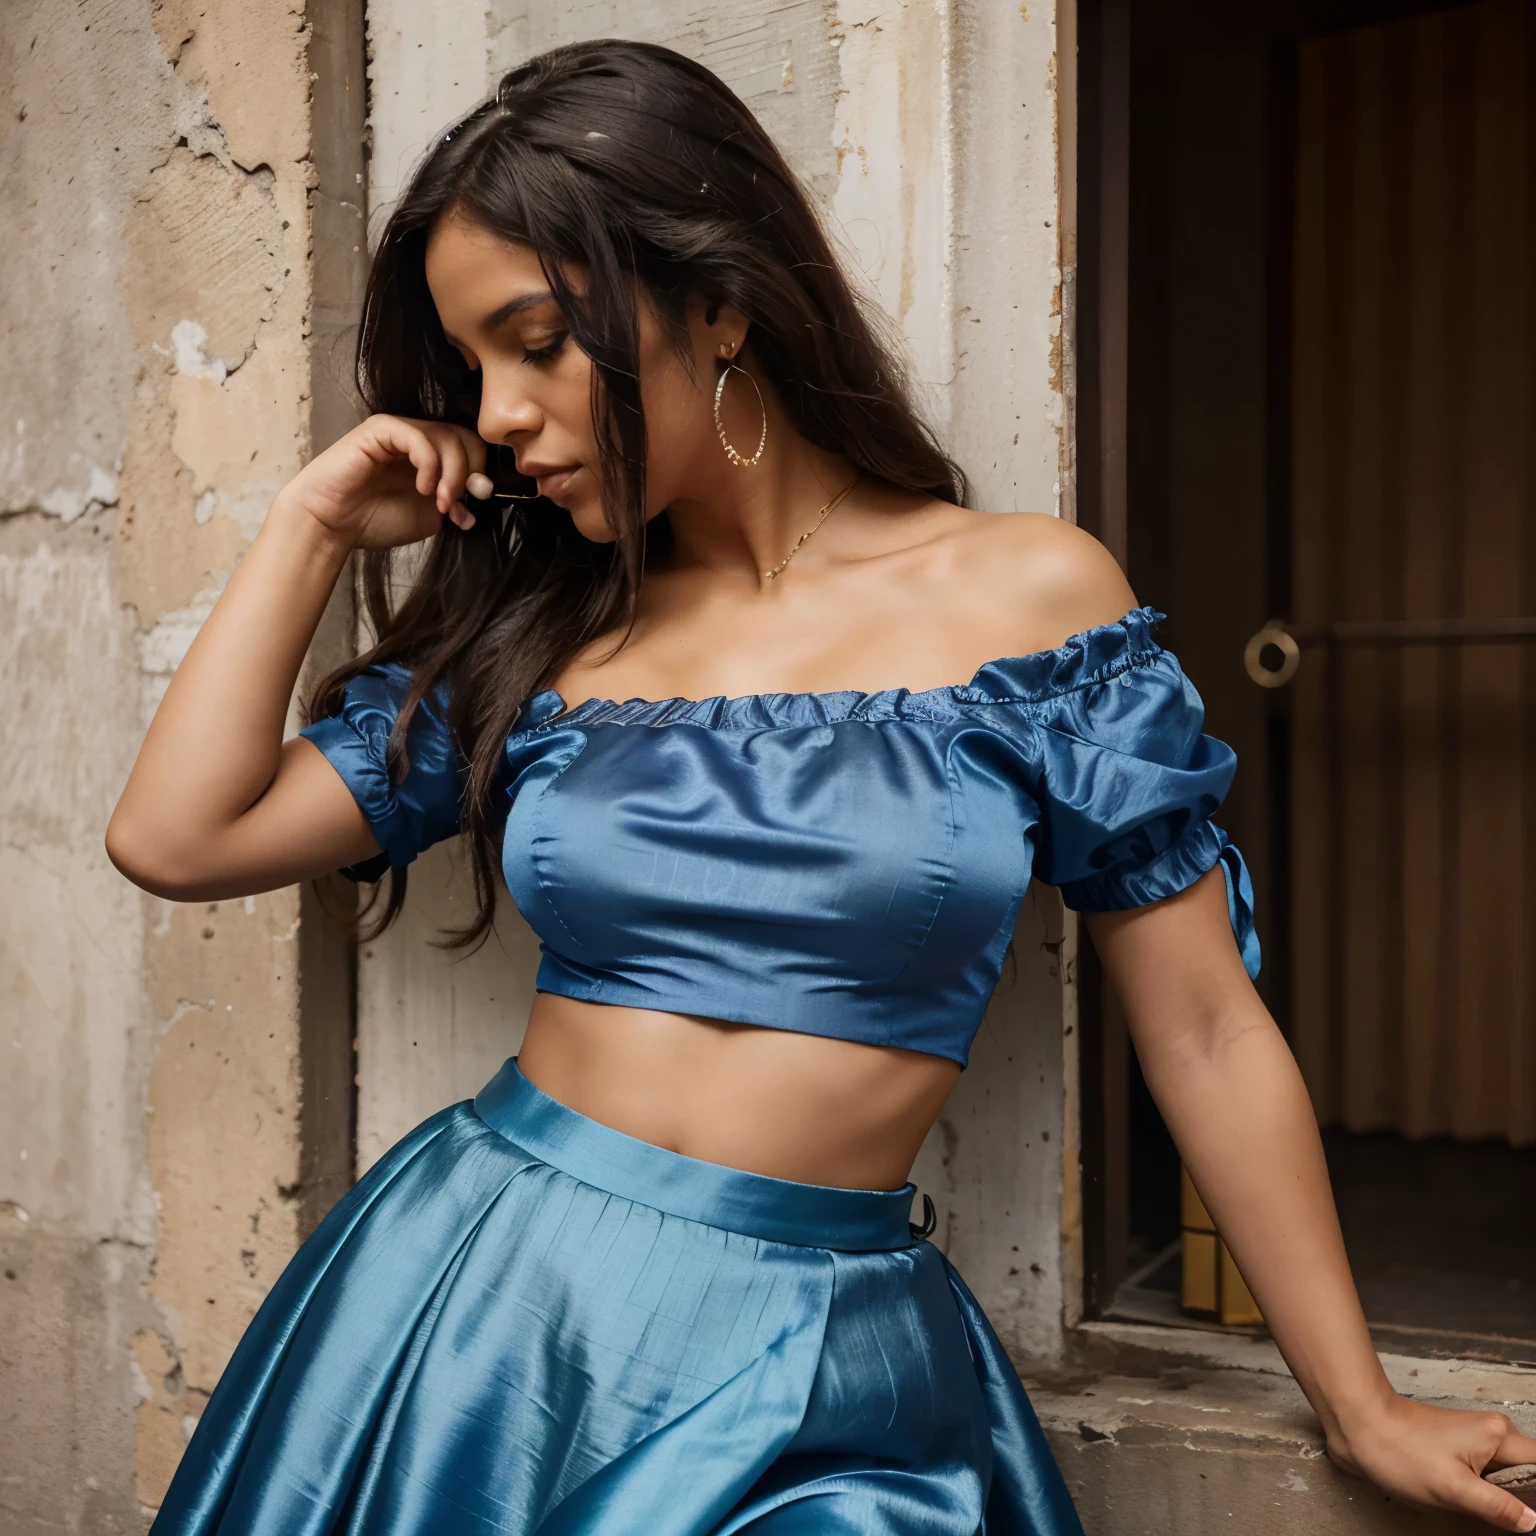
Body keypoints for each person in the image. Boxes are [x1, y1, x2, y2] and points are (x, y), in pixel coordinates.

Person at [106, 37, 1536, 1536]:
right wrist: (313, 526)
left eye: (535, 343)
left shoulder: (1030, 601)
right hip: (488, 1308)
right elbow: (179, 835)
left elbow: (1201, 1025)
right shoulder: (542, 630)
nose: (501, 414)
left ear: (717, 305)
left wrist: (1357, 1401)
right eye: (475, 369)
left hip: (823, 1352)